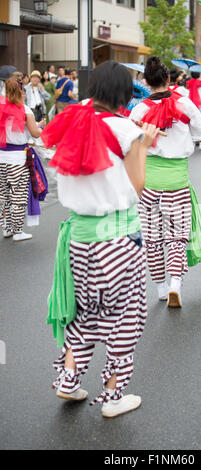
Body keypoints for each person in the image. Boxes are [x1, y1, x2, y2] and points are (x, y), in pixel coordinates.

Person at [41, 61, 159, 418]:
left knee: (85, 314)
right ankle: (112, 397)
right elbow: (137, 186)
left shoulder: (70, 119)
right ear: (125, 93)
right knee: (125, 316)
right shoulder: (126, 129)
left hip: (78, 238)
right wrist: (144, 143)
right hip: (118, 238)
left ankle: (68, 380)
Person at [130, 56, 201, 308]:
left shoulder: (139, 110)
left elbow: (131, 144)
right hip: (177, 180)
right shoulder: (184, 104)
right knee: (177, 236)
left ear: (146, 82)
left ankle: (161, 288)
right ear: (168, 79)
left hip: (148, 180)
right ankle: (176, 282)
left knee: (153, 238)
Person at [0, 78, 44, 241]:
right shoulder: (25, 110)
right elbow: (35, 133)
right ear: (21, 92)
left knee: (3, 195)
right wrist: (41, 126)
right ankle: (18, 231)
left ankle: (6, 228)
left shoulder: (1, 108)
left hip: (1, 156)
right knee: (18, 195)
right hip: (18, 159)